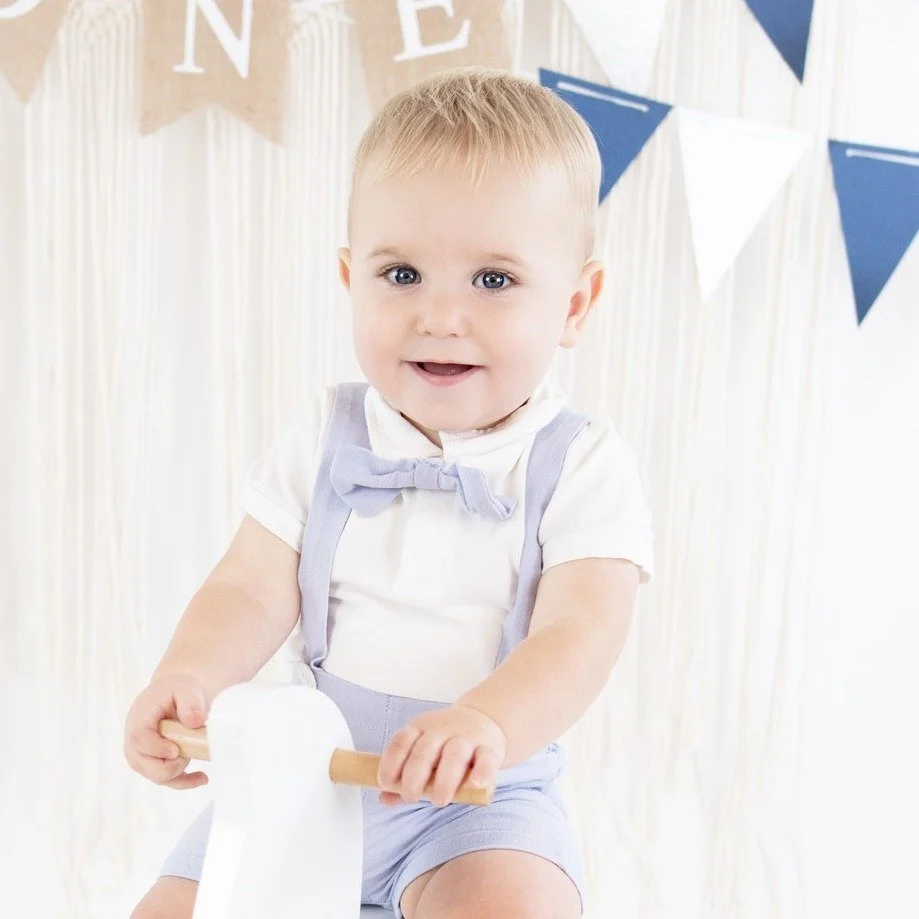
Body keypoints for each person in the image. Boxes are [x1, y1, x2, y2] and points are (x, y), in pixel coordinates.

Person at [125, 66, 654, 919]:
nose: (439, 315)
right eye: (401, 274)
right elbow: (247, 584)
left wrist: (484, 722)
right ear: (348, 278)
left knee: (512, 908)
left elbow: (580, 634)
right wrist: (189, 676)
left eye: (492, 280)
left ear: (575, 302)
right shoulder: (325, 433)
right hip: (304, 774)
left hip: (478, 800)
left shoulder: (581, 462)